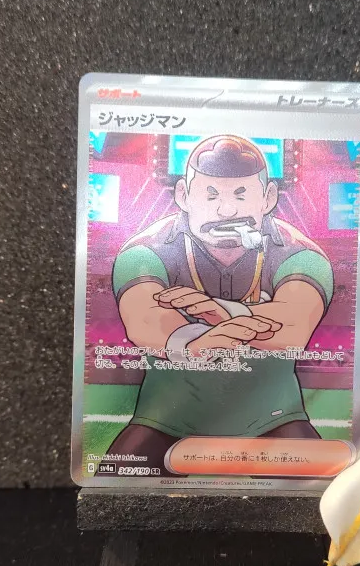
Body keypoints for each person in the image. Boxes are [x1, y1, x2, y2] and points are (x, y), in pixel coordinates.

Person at [100, 134, 334, 474]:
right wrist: (190, 341)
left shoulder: (299, 252)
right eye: (211, 195)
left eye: (241, 194)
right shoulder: (147, 250)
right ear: (183, 195)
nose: (227, 210)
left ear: (268, 198)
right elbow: (144, 316)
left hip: (272, 420)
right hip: (168, 420)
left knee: (325, 497)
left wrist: (224, 313)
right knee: (114, 488)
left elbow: (294, 322)